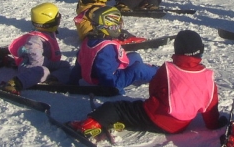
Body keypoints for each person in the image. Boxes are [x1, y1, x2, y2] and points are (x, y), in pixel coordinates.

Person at [68, 30, 226, 137]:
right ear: (201, 51)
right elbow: (210, 110)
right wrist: (215, 124)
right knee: (131, 114)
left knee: (115, 108)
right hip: (180, 126)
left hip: (156, 117)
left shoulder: (169, 69)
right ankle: (122, 123)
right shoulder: (208, 78)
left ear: (177, 49)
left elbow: (154, 89)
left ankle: (89, 124)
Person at [68, 6, 158, 94]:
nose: (119, 28)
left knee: (135, 56)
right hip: (112, 81)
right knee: (138, 68)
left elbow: (79, 63)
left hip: (100, 73)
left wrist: (72, 80)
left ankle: (150, 73)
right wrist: (113, 90)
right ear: (110, 26)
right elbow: (104, 72)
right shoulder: (106, 47)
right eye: (117, 25)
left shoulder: (88, 40)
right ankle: (161, 74)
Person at [0, 3, 72, 95]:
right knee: (43, 71)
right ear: (50, 23)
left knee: (65, 65)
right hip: (31, 66)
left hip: (45, 63)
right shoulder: (35, 41)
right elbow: (36, 62)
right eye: (57, 19)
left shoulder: (48, 33)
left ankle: (52, 79)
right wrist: (51, 66)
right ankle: (14, 83)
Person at [75, 0, 145, 43]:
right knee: (116, 32)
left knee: (120, 31)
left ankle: (129, 38)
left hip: (94, 32)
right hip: (91, 36)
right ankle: (124, 41)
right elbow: (110, 18)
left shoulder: (88, 3)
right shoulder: (93, 9)